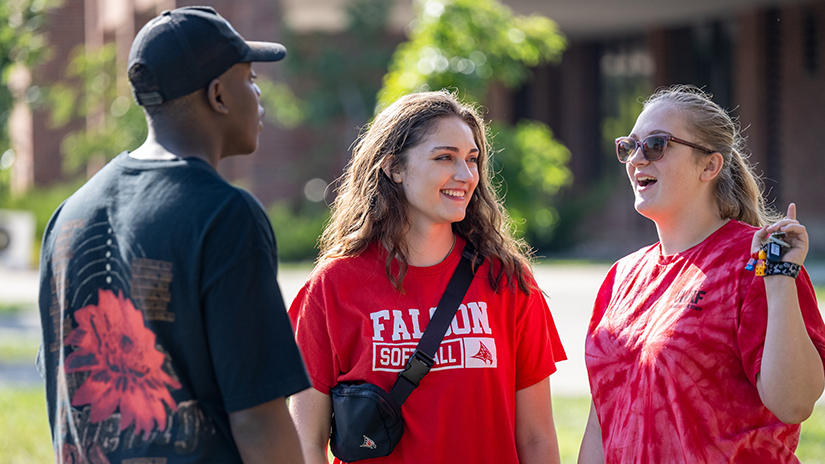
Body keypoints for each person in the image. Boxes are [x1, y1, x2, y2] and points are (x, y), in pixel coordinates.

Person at [37, 7, 310, 464]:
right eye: (251, 79)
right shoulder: (225, 214)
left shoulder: (69, 214)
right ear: (219, 95)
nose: (260, 96)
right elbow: (258, 418)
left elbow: (64, 395)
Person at [287, 90, 566, 464]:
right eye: (444, 157)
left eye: (472, 159)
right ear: (394, 168)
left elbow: (536, 439)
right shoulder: (332, 286)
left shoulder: (507, 280)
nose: (466, 175)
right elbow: (306, 441)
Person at [578, 85, 825, 463]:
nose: (637, 160)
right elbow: (602, 418)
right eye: (630, 147)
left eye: (656, 145)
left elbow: (794, 403)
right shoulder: (621, 276)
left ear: (709, 165)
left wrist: (778, 281)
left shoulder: (757, 260)